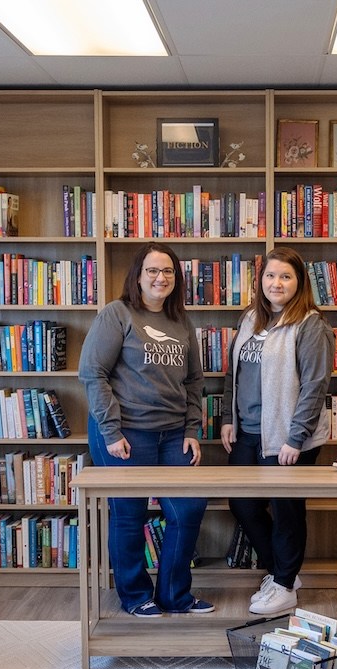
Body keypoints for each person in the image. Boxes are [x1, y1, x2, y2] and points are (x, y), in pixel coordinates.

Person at [78, 241, 213, 617]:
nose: (160, 277)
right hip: (125, 433)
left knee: (187, 510)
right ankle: (136, 596)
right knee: (129, 514)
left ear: (176, 278)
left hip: (172, 434)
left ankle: (174, 595)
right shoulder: (116, 314)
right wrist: (110, 431)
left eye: (168, 271)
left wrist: (191, 429)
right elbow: (92, 373)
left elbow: (194, 381)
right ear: (138, 275)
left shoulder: (181, 320)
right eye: (152, 270)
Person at [221, 247, 334, 615]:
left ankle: (285, 588)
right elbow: (232, 374)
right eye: (270, 276)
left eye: (286, 276)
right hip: (248, 432)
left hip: (287, 437)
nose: (277, 283)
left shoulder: (310, 324)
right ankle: (284, 571)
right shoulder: (251, 318)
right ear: (261, 281)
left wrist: (295, 439)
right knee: (242, 504)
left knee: (287, 509)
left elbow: (315, 385)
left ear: (298, 282)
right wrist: (227, 417)